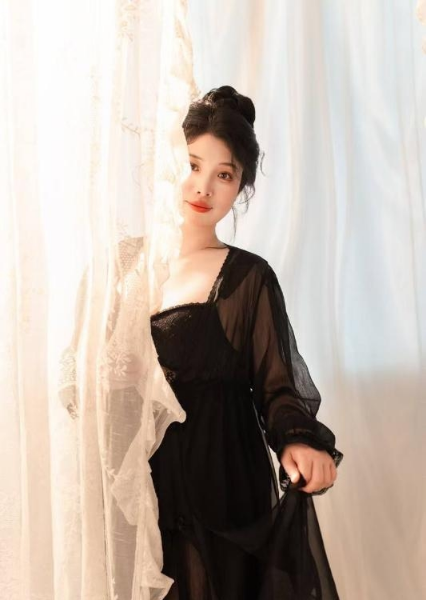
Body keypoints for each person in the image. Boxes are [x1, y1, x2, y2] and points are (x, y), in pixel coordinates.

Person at [148, 85, 344, 600]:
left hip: (223, 489)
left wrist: (298, 440)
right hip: (142, 489)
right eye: (192, 165)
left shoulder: (248, 278)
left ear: (240, 189)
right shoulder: (120, 269)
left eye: (224, 175)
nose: (203, 187)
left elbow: (277, 386)